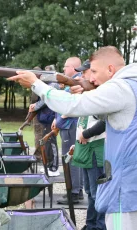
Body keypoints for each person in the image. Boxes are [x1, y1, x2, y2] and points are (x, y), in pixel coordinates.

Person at [8, 46, 137, 230]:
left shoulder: (120, 87)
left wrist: (36, 84)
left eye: (94, 71)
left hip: (128, 188)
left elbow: (72, 106)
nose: (91, 78)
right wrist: (87, 92)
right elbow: (119, 118)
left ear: (110, 69)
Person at [70, 59, 107, 230]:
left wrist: (85, 134)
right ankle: (91, 224)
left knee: (97, 192)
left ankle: (98, 226)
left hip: (95, 150)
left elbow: (105, 122)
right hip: (85, 149)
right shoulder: (88, 95)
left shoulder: (100, 95)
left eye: (84, 72)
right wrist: (76, 143)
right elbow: (82, 122)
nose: (81, 75)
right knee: (89, 192)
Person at [53, 57, 84, 204]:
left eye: (66, 67)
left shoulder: (77, 83)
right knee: (72, 158)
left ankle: (74, 192)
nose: (64, 69)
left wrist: (60, 119)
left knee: (70, 159)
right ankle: (77, 190)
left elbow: (71, 106)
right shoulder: (74, 82)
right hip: (69, 125)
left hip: (69, 125)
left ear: (73, 68)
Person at [29, 65, 60, 176]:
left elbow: (44, 100)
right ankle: (49, 165)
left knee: (51, 143)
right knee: (47, 142)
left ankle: (54, 168)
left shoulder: (53, 84)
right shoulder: (49, 84)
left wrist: (35, 106)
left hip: (51, 117)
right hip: (47, 118)